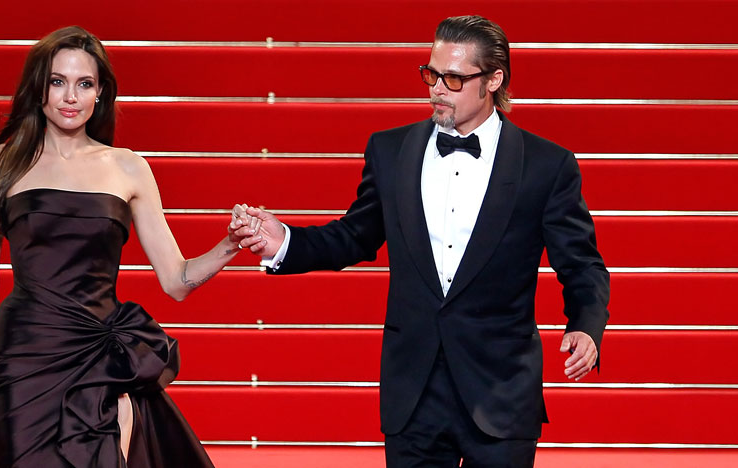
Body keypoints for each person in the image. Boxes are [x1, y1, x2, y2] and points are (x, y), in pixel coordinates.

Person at [236, 15, 610, 467]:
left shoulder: (547, 165)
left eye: (453, 78)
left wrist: (586, 325)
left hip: (501, 393)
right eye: (431, 74)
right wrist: (286, 242)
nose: (436, 88)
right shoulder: (391, 151)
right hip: (413, 393)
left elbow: (581, 264)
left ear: (494, 79)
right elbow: (356, 235)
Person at [0, 26, 253, 467]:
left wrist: (230, 243)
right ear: (39, 88)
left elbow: (176, 280)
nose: (70, 96)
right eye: (57, 81)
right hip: (24, 354)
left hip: (99, 355)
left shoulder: (129, 168)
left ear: (100, 92)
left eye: (84, 83)